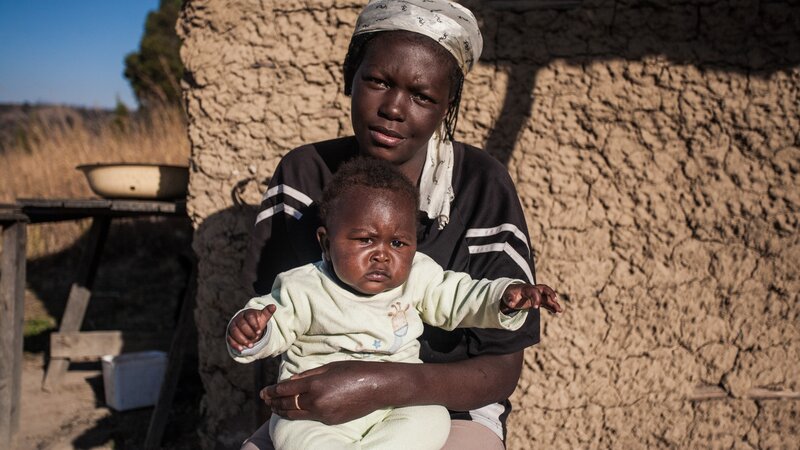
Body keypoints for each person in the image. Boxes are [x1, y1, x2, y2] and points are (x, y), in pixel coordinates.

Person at [242, 1, 554, 448]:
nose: (393, 108)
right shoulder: (303, 176)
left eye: (423, 95)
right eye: (378, 82)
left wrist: (378, 383)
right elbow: (269, 320)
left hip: (444, 407)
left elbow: (501, 369)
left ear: (448, 105)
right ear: (351, 76)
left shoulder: (480, 187)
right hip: (320, 406)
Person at [229, 158, 561, 449]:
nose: (382, 254)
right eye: (365, 239)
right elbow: (275, 323)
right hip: (316, 410)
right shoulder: (302, 286)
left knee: (431, 417)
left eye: (398, 243)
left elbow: (461, 296)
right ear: (326, 242)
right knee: (293, 435)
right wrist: (253, 332)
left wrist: (504, 298)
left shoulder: (418, 276)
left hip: (396, 405)